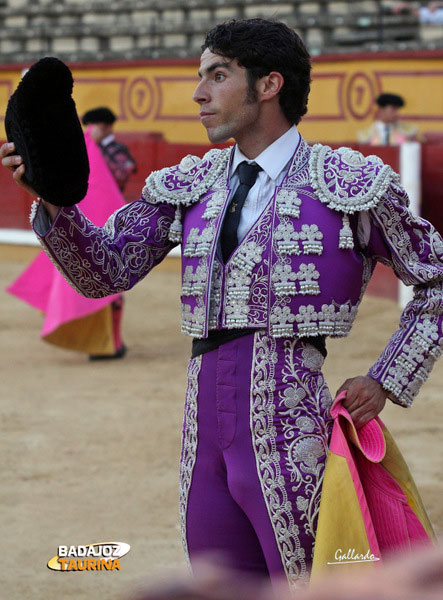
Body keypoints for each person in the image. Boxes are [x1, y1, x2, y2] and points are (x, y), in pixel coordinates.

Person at [1, 18, 441, 590]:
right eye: (199, 76)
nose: (199, 93)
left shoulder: (345, 182)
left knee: (309, 587)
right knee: (220, 587)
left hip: (294, 430)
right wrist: (54, 202)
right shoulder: (194, 182)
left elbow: (436, 279)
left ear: (268, 85)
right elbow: (102, 272)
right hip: (201, 436)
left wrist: (387, 379)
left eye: (218, 75)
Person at [6, 130, 127, 360]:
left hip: (98, 226)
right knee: (107, 288)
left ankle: (111, 344)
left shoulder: (101, 153)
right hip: (101, 226)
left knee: (108, 290)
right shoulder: (106, 153)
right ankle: (106, 346)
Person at [82, 106, 137, 193]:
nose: (91, 129)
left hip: (110, 197)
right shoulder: (89, 146)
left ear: (107, 125)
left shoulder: (118, 149)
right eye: (89, 126)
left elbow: (121, 176)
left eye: (95, 124)